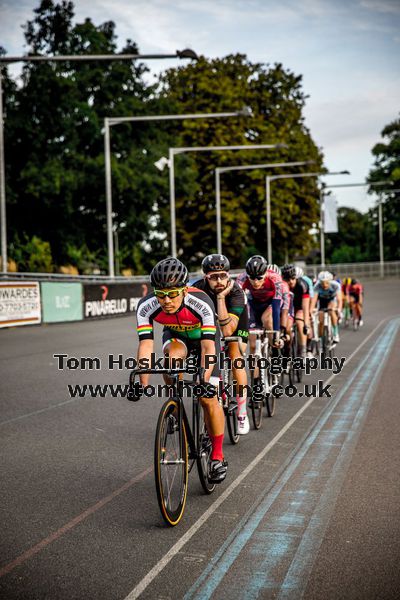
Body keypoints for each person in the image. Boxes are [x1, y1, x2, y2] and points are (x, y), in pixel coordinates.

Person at [133, 257, 228, 484]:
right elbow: (146, 345)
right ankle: (174, 406)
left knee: (207, 398)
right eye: (160, 294)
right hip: (177, 338)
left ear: (185, 290)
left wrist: (203, 379)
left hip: (205, 340)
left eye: (173, 294)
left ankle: (217, 455)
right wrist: (142, 382)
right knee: (171, 360)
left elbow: (207, 347)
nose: (166, 301)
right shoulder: (146, 306)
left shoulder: (202, 302)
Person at [192, 254, 250, 434]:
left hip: (235, 322)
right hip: (209, 326)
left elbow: (227, 331)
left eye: (222, 276)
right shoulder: (197, 289)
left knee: (235, 356)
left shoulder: (236, 291)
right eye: (213, 277)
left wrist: (221, 297)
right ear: (205, 277)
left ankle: (242, 412)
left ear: (228, 275)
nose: (219, 281)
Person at [281, 264, 311, 358]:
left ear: (296, 277)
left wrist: (306, 323)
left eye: (293, 278)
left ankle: (303, 351)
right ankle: (287, 348)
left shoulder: (303, 285)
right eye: (287, 279)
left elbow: (305, 306)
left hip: (298, 308)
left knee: (300, 323)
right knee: (286, 329)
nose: (291, 281)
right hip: (286, 309)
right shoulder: (280, 286)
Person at [310, 270, 342, 343]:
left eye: (327, 283)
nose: (325, 285)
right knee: (320, 320)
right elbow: (314, 300)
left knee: (331, 310)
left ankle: (335, 333)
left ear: (330, 281)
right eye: (322, 283)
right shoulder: (317, 286)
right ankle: (321, 338)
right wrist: (311, 311)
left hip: (332, 300)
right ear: (319, 282)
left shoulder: (336, 285)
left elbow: (339, 300)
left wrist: (339, 309)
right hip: (322, 301)